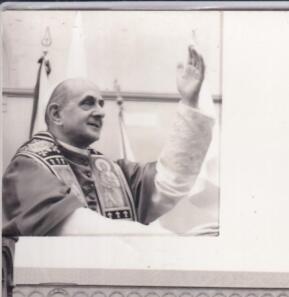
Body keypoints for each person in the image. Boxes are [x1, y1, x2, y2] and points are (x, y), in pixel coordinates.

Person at [3, 46, 216, 237]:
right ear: (56, 114)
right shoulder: (28, 167)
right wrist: (164, 239)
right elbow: (74, 227)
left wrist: (190, 103)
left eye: (101, 104)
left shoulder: (114, 171)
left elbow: (168, 183)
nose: (101, 112)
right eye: (88, 103)